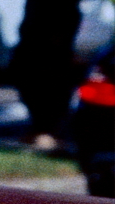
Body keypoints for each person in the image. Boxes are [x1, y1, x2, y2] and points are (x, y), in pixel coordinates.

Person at [16, 0, 83, 149]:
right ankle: (41, 130)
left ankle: (48, 132)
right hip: (35, 42)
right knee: (31, 85)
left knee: (52, 89)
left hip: (53, 46)